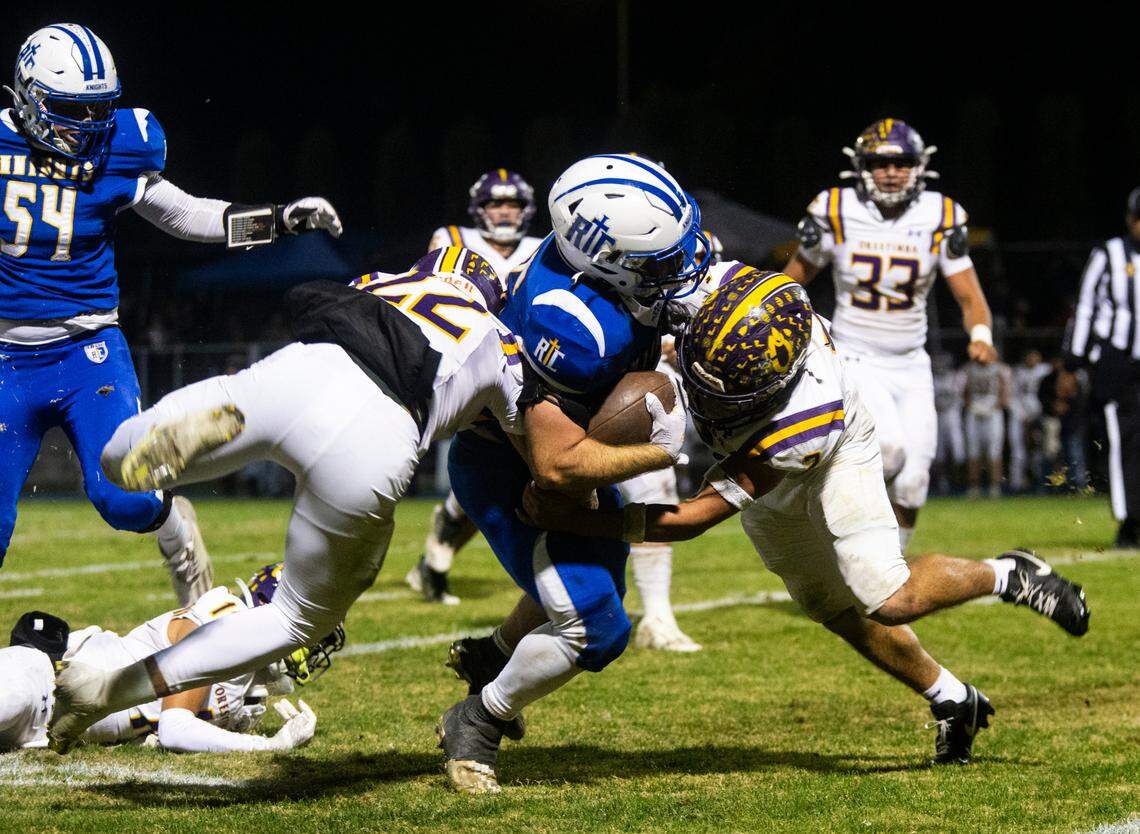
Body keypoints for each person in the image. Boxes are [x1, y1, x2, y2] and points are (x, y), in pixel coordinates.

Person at [522, 266, 1090, 765]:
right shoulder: (711, 292)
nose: (708, 396)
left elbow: (693, 518)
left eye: (730, 391)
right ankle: (951, 698)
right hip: (765, 437)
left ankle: (1009, 573)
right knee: (828, 605)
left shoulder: (798, 424)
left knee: (885, 595)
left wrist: (581, 522)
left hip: (834, 446)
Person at [0, 24, 342, 604]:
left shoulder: (117, 150)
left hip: (87, 353)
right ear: (28, 98)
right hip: (6, 360)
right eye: (70, 111)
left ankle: (177, 534)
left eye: (97, 111)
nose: (88, 128)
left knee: (126, 500)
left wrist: (279, 219)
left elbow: (187, 216)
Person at [437, 154, 704, 793]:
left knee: (592, 587)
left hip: (558, 450)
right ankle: (477, 721)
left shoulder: (595, 265)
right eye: (659, 258)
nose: (682, 265)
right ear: (604, 258)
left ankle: (491, 658)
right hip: (510, 466)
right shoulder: (573, 326)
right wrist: (666, 449)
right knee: (600, 627)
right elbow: (556, 465)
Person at [784, 119, 997, 553]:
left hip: (912, 361)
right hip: (855, 355)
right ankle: (816, 509)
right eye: (881, 162)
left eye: (902, 162)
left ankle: (889, 570)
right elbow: (793, 280)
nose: (892, 171)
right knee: (890, 449)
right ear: (862, 167)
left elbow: (969, 294)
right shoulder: (836, 210)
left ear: (920, 167)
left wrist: (980, 332)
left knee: (915, 481)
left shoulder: (938, 215)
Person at [1, 562, 337, 753]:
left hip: (40, 730)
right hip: (40, 680)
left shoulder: (249, 695)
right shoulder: (226, 621)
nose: (312, 643)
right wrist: (271, 746)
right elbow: (176, 729)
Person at [410, 169, 544, 604]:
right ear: (478, 210)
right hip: (464, 362)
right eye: (495, 204)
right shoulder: (451, 237)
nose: (504, 212)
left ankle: (437, 552)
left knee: (504, 463)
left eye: (513, 205)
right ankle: (438, 546)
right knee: (496, 461)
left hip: (522, 368)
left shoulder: (543, 247)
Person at [1065, 188, 1140, 547]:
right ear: (1130, 219)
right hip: (1118, 362)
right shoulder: (1109, 254)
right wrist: (1073, 359)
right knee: (1122, 442)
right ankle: (1130, 520)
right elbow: (1085, 305)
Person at [963, 358, 1011, 498]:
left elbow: (1005, 391)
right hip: (974, 412)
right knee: (973, 450)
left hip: (993, 411)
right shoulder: (968, 369)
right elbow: (963, 391)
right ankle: (974, 486)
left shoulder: (1000, 369)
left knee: (994, 451)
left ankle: (994, 487)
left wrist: (997, 405)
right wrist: (970, 405)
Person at [1007, 351, 1050, 492]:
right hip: (1019, 416)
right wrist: (1022, 415)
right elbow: (1011, 397)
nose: (1032, 360)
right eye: (1029, 357)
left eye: (1035, 357)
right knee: (1018, 452)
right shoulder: (1018, 372)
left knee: (1041, 451)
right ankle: (1016, 484)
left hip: (1039, 415)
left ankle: (1041, 483)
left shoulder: (1045, 370)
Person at [932, 353, 965, 495]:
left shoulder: (956, 377)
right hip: (938, 416)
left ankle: (959, 480)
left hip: (953, 416)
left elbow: (960, 397)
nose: (940, 367)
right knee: (939, 453)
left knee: (958, 451)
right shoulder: (932, 379)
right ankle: (943, 482)